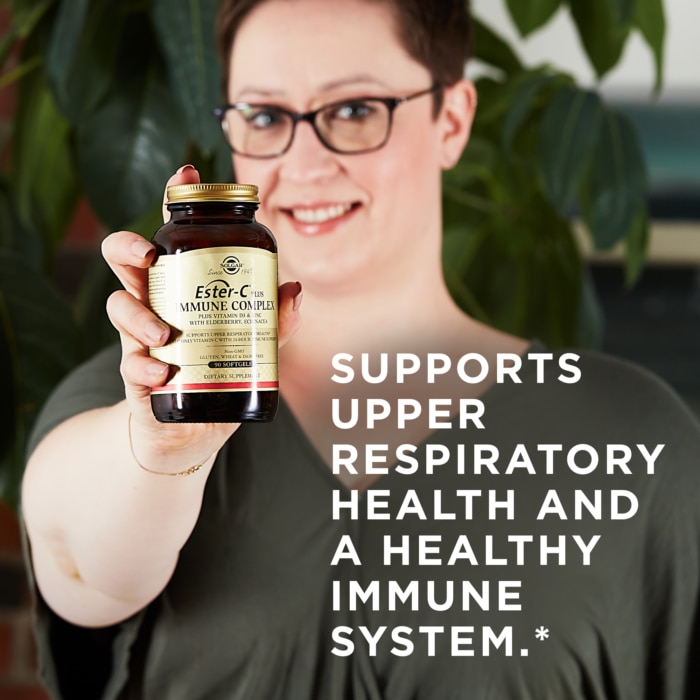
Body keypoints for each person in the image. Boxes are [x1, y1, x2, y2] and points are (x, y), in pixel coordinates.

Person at [21, 0, 700, 698]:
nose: (302, 162)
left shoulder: (639, 436)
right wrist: (157, 453)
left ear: (453, 120)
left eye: (353, 110)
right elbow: (80, 568)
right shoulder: (128, 400)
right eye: (263, 116)